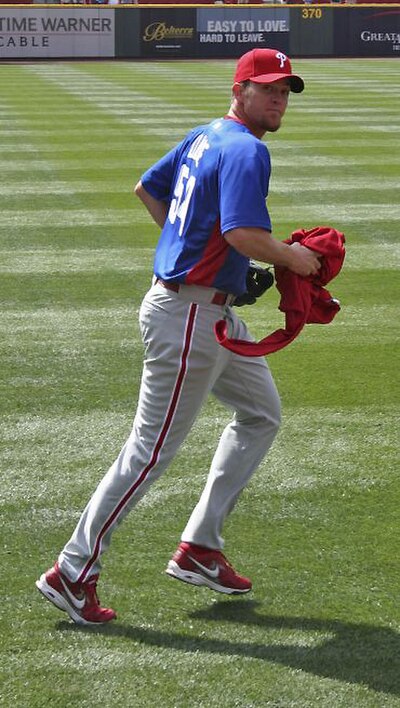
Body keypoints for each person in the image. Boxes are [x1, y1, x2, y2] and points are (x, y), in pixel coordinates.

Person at [36, 47, 321, 626]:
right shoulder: (243, 148)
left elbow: (148, 188)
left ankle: (200, 547)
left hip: (205, 309)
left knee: (261, 414)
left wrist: (196, 253)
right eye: (267, 87)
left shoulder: (205, 136)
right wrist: (294, 258)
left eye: (286, 90)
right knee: (148, 452)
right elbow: (243, 233)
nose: (278, 98)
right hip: (189, 319)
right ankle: (71, 571)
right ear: (239, 89)